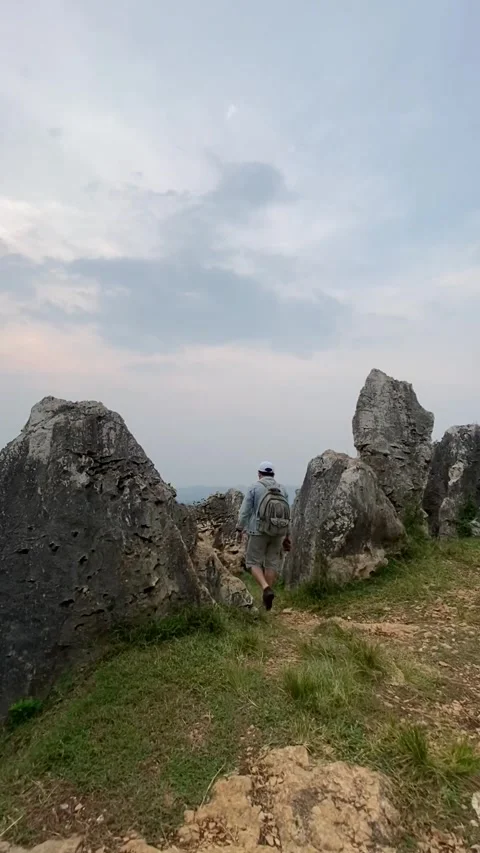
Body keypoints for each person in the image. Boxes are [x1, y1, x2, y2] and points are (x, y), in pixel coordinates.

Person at [235, 462, 291, 610]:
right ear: (273, 474)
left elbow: (245, 511)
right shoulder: (283, 489)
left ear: (259, 474)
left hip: (258, 531)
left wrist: (239, 528)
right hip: (278, 532)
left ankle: (266, 588)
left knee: (252, 562)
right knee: (271, 563)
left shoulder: (254, 487)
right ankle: (266, 603)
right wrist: (287, 535)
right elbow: (287, 514)